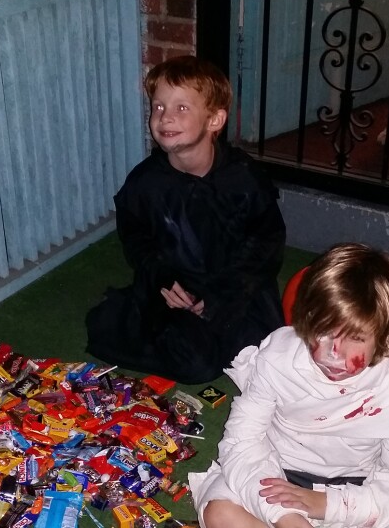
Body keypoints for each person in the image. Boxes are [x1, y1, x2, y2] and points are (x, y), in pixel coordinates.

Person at [189, 243, 389, 528]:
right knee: (220, 513)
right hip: (275, 478)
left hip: (356, 495)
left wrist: (328, 505)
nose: (334, 353)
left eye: (355, 337)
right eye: (324, 330)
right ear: (306, 320)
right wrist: (286, 517)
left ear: (386, 342)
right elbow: (241, 443)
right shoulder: (278, 357)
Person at [85, 56, 286, 384]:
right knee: (197, 366)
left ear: (214, 120)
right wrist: (162, 278)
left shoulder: (245, 178)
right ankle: (121, 314)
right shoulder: (145, 183)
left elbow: (265, 246)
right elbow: (136, 239)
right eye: (158, 107)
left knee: (263, 355)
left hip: (235, 287)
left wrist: (221, 296)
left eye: (182, 108)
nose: (165, 118)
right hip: (178, 286)